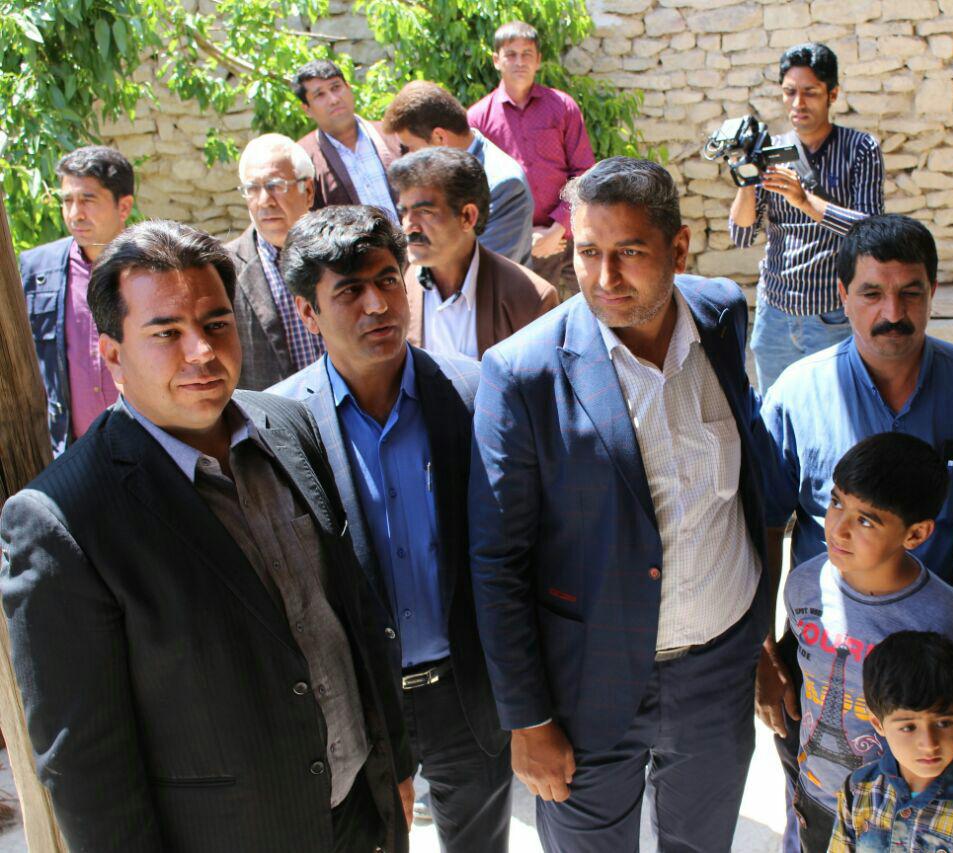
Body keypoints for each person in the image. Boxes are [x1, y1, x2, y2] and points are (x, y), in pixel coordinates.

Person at [0, 220, 414, 852]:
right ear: (112, 353)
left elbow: (351, 611)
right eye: (166, 332)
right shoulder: (62, 519)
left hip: (359, 811)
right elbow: (84, 763)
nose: (201, 351)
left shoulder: (287, 425)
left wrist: (394, 767)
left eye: (216, 323)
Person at [468, 157, 776, 851]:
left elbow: (748, 488)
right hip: (587, 687)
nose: (604, 277)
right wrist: (527, 719)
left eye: (629, 252)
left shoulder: (721, 316)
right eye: (587, 252)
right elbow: (497, 561)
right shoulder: (522, 372)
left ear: (679, 248)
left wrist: (757, 637)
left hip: (718, 668)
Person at [268, 206, 512, 852]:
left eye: (386, 280)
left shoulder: (473, 391)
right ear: (308, 312)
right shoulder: (278, 426)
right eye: (349, 291)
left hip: (467, 697)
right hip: (358, 708)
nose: (377, 305)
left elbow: (513, 553)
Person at [757, 216, 953, 851]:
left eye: (910, 293)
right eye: (871, 293)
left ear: (933, 291)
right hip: (823, 656)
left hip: (938, 676)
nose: (893, 313)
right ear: (842, 295)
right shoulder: (798, 395)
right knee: (817, 815)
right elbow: (764, 527)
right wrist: (763, 652)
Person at [781, 433, 953, 852]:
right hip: (817, 799)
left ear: (915, 534)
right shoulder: (804, 585)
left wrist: (923, 787)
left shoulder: (949, 619)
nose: (839, 528)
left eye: (866, 521)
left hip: (903, 819)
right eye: (837, 502)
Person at [728, 43, 885, 393]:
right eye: (790, 92)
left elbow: (872, 233)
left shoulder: (861, 149)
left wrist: (805, 201)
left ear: (833, 94)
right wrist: (746, 177)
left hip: (832, 315)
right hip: (775, 316)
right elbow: (741, 235)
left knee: (835, 410)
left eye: (810, 92)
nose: (798, 103)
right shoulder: (770, 151)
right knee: (775, 412)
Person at [829, 631, 953, 853]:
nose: (929, 743)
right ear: (877, 722)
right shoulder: (856, 790)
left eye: (943, 723)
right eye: (908, 727)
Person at [387, 147, 557, 361]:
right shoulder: (394, 287)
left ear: (467, 216)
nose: (409, 225)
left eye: (425, 212)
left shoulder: (530, 300)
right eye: (404, 212)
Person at [20, 145, 134, 454]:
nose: (75, 214)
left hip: (146, 448)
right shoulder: (37, 271)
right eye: (67, 200)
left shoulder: (152, 267)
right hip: (70, 453)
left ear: (124, 207)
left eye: (87, 199)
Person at [468, 20, 595, 295]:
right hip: (517, 245)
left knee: (593, 310)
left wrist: (557, 229)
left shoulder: (562, 107)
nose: (519, 62)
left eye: (527, 54)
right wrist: (528, 238)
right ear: (496, 60)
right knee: (533, 317)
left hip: (572, 237)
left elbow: (584, 172)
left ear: (538, 60)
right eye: (511, 54)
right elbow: (474, 189)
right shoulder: (478, 119)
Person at [384, 80, 534, 265]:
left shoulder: (504, 184)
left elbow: (483, 269)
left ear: (439, 137)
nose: (408, 157)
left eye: (410, 147)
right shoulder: (437, 177)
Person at [225, 133, 324, 390]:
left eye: (275, 185)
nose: (264, 201)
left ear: (308, 191)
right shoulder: (224, 271)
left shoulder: (339, 254)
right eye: (252, 188)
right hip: (272, 413)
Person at [294, 59, 400, 221]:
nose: (333, 99)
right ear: (307, 109)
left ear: (349, 88)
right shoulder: (304, 159)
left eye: (336, 87)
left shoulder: (393, 134)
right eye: (320, 95)